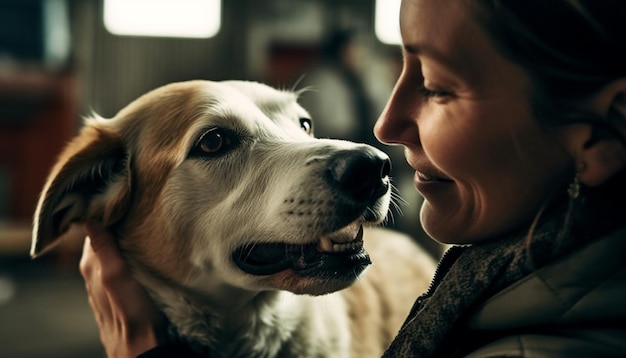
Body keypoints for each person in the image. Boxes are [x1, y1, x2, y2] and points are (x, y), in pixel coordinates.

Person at [79, 0, 626, 356]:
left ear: (601, 134)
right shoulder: (496, 282)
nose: (384, 128)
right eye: (217, 141)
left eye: (436, 85)